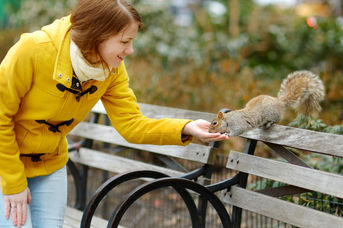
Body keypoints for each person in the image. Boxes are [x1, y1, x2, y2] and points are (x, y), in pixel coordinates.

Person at [0, 0, 229, 227]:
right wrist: (13, 183)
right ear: (97, 35)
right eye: (124, 41)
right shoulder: (33, 50)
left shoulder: (112, 70)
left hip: (49, 164)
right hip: (5, 164)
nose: (130, 50)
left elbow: (131, 124)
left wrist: (185, 127)